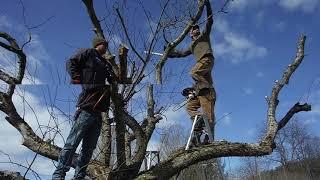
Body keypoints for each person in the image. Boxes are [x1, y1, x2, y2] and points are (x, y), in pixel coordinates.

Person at [52, 36, 115, 179]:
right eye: (104, 44)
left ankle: (79, 177)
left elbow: (111, 80)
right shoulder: (88, 52)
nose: (106, 47)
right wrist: (75, 77)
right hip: (87, 107)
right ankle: (58, 175)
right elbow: (71, 61)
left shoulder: (105, 63)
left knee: (88, 150)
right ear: (98, 44)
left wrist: (113, 78)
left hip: (99, 113)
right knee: (72, 143)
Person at [168, 0, 216, 141]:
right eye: (192, 29)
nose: (195, 29)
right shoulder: (191, 45)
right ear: (190, 34)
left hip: (207, 59)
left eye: (196, 28)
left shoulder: (204, 36)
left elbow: (210, 20)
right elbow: (181, 53)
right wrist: (170, 53)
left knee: (194, 72)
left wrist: (207, 5)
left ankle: (210, 136)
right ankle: (199, 122)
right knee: (189, 107)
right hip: (203, 81)